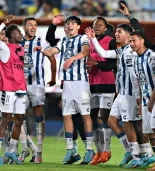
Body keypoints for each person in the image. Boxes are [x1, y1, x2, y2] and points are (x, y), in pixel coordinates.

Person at [35, 16, 94, 164]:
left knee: (85, 115)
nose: (69, 25)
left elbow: (86, 51)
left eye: (73, 23)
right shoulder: (64, 41)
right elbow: (51, 52)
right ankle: (70, 149)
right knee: (67, 115)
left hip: (81, 83)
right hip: (67, 84)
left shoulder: (83, 39)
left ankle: (90, 149)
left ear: (78, 26)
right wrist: (41, 49)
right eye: (67, 23)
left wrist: (73, 58)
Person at [85, 24, 142, 168]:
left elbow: (134, 77)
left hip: (129, 94)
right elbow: (103, 54)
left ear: (128, 36)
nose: (116, 34)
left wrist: (138, 97)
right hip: (121, 93)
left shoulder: (130, 52)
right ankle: (130, 151)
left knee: (130, 124)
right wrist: (93, 39)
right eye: (116, 31)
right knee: (111, 121)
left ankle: (138, 155)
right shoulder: (121, 50)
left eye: (119, 32)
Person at [18, 17, 57, 164]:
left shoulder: (42, 42)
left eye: (35, 25)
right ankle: (25, 149)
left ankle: (39, 151)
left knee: (39, 115)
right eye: (30, 25)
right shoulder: (17, 42)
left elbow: (52, 58)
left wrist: (53, 78)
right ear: (24, 27)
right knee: (18, 118)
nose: (33, 27)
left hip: (37, 84)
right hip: (20, 85)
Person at [130, 30, 155, 170]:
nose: (131, 44)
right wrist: (141, 102)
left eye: (134, 41)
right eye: (130, 41)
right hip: (146, 100)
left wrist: (152, 100)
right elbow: (141, 81)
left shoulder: (152, 57)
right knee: (149, 133)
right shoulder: (135, 59)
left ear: (142, 41)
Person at [87, 16, 117, 165]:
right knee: (93, 118)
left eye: (100, 25)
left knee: (104, 117)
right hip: (92, 84)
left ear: (105, 28)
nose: (97, 27)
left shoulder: (110, 41)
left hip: (107, 84)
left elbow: (112, 65)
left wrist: (97, 63)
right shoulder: (89, 42)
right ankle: (98, 151)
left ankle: (107, 150)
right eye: (95, 25)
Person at [0, 24, 26, 165]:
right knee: (5, 120)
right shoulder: (4, 48)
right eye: (18, 33)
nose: (21, 34)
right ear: (11, 36)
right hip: (8, 89)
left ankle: (11, 151)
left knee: (19, 120)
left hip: (21, 90)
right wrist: (3, 24)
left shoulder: (21, 48)